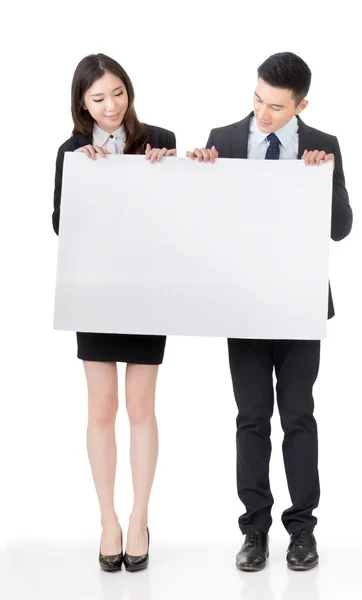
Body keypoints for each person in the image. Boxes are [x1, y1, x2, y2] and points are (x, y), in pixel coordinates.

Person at [186, 51, 352, 571]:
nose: (262, 114)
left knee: (299, 416)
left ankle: (302, 530)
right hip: (244, 305)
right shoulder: (225, 138)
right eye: (257, 99)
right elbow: (199, 226)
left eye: (276, 108)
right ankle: (254, 531)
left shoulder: (324, 145)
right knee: (252, 419)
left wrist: (320, 182)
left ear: (301, 104)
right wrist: (200, 177)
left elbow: (341, 227)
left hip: (300, 302)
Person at [52, 53, 176, 572]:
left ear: (130, 91)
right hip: (97, 290)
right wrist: (89, 181)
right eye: (98, 97)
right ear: (82, 102)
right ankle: (108, 520)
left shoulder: (159, 139)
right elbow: (60, 223)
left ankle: (140, 517)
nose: (110, 106)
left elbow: (182, 216)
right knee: (101, 407)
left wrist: (164, 172)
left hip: (147, 288)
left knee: (140, 407)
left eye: (118, 93)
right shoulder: (72, 150)